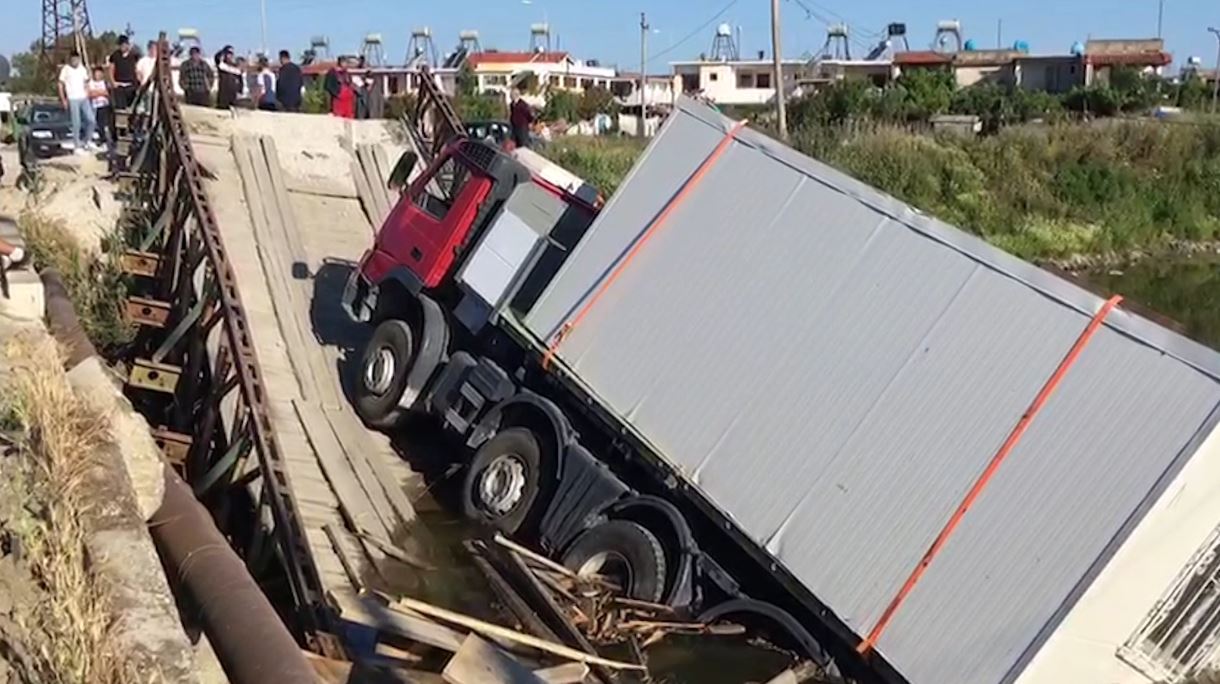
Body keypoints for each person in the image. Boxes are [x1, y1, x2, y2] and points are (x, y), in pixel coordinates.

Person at [58, 51, 95, 153]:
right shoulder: (66, 69)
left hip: (83, 97)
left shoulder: (82, 68)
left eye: (76, 59)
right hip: (72, 98)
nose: (75, 61)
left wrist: (87, 92)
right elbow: (60, 84)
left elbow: (86, 81)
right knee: (76, 122)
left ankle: (87, 141)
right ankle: (76, 145)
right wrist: (63, 99)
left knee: (91, 119)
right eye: (73, 59)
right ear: (70, 59)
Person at [107, 35, 138, 114]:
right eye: (121, 45)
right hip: (119, 85)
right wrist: (113, 82)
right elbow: (111, 69)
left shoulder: (134, 56)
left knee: (132, 107)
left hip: (131, 85)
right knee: (120, 108)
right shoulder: (115, 56)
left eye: (124, 44)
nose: (122, 47)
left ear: (128, 45)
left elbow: (137, 70)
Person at [87, 66, 112, 148]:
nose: (97, 75)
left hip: (104, 105)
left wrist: (97, 92)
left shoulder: (105, 83)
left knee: (103, 124)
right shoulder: (91, 83)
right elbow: (90, 94)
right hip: (94, 106)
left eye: (99, 73)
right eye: (96, 73)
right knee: (96, 123)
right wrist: (101, 92)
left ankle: (104, 140)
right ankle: (97, 139)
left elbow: (107, 93)